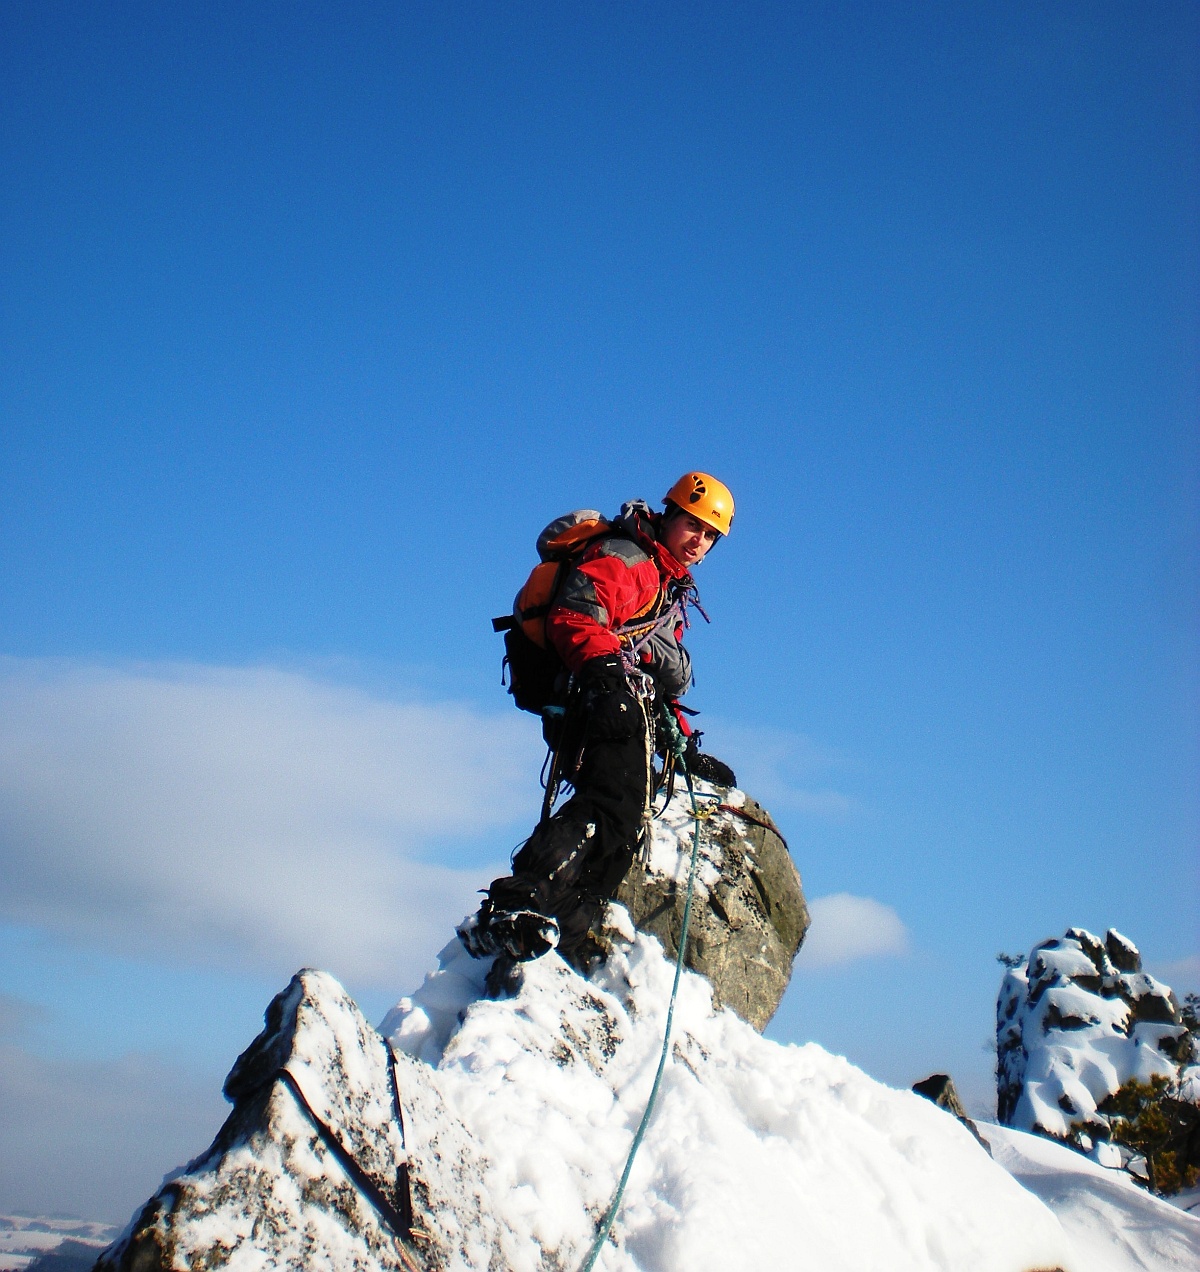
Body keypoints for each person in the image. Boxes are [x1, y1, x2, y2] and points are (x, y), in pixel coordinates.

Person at [457, 471, 735, 970]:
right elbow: (576, 615)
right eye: (693, 525)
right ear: (669, 515)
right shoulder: (631, 561)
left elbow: (648, 661)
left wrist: (685, 747)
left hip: (608, 695)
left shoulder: (663, 580)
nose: (700, 541)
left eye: (711, 535)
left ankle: (565, 927)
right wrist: (605, 675)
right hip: (595, 694)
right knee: (610, 805)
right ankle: (516, 902)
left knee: (625, 820)